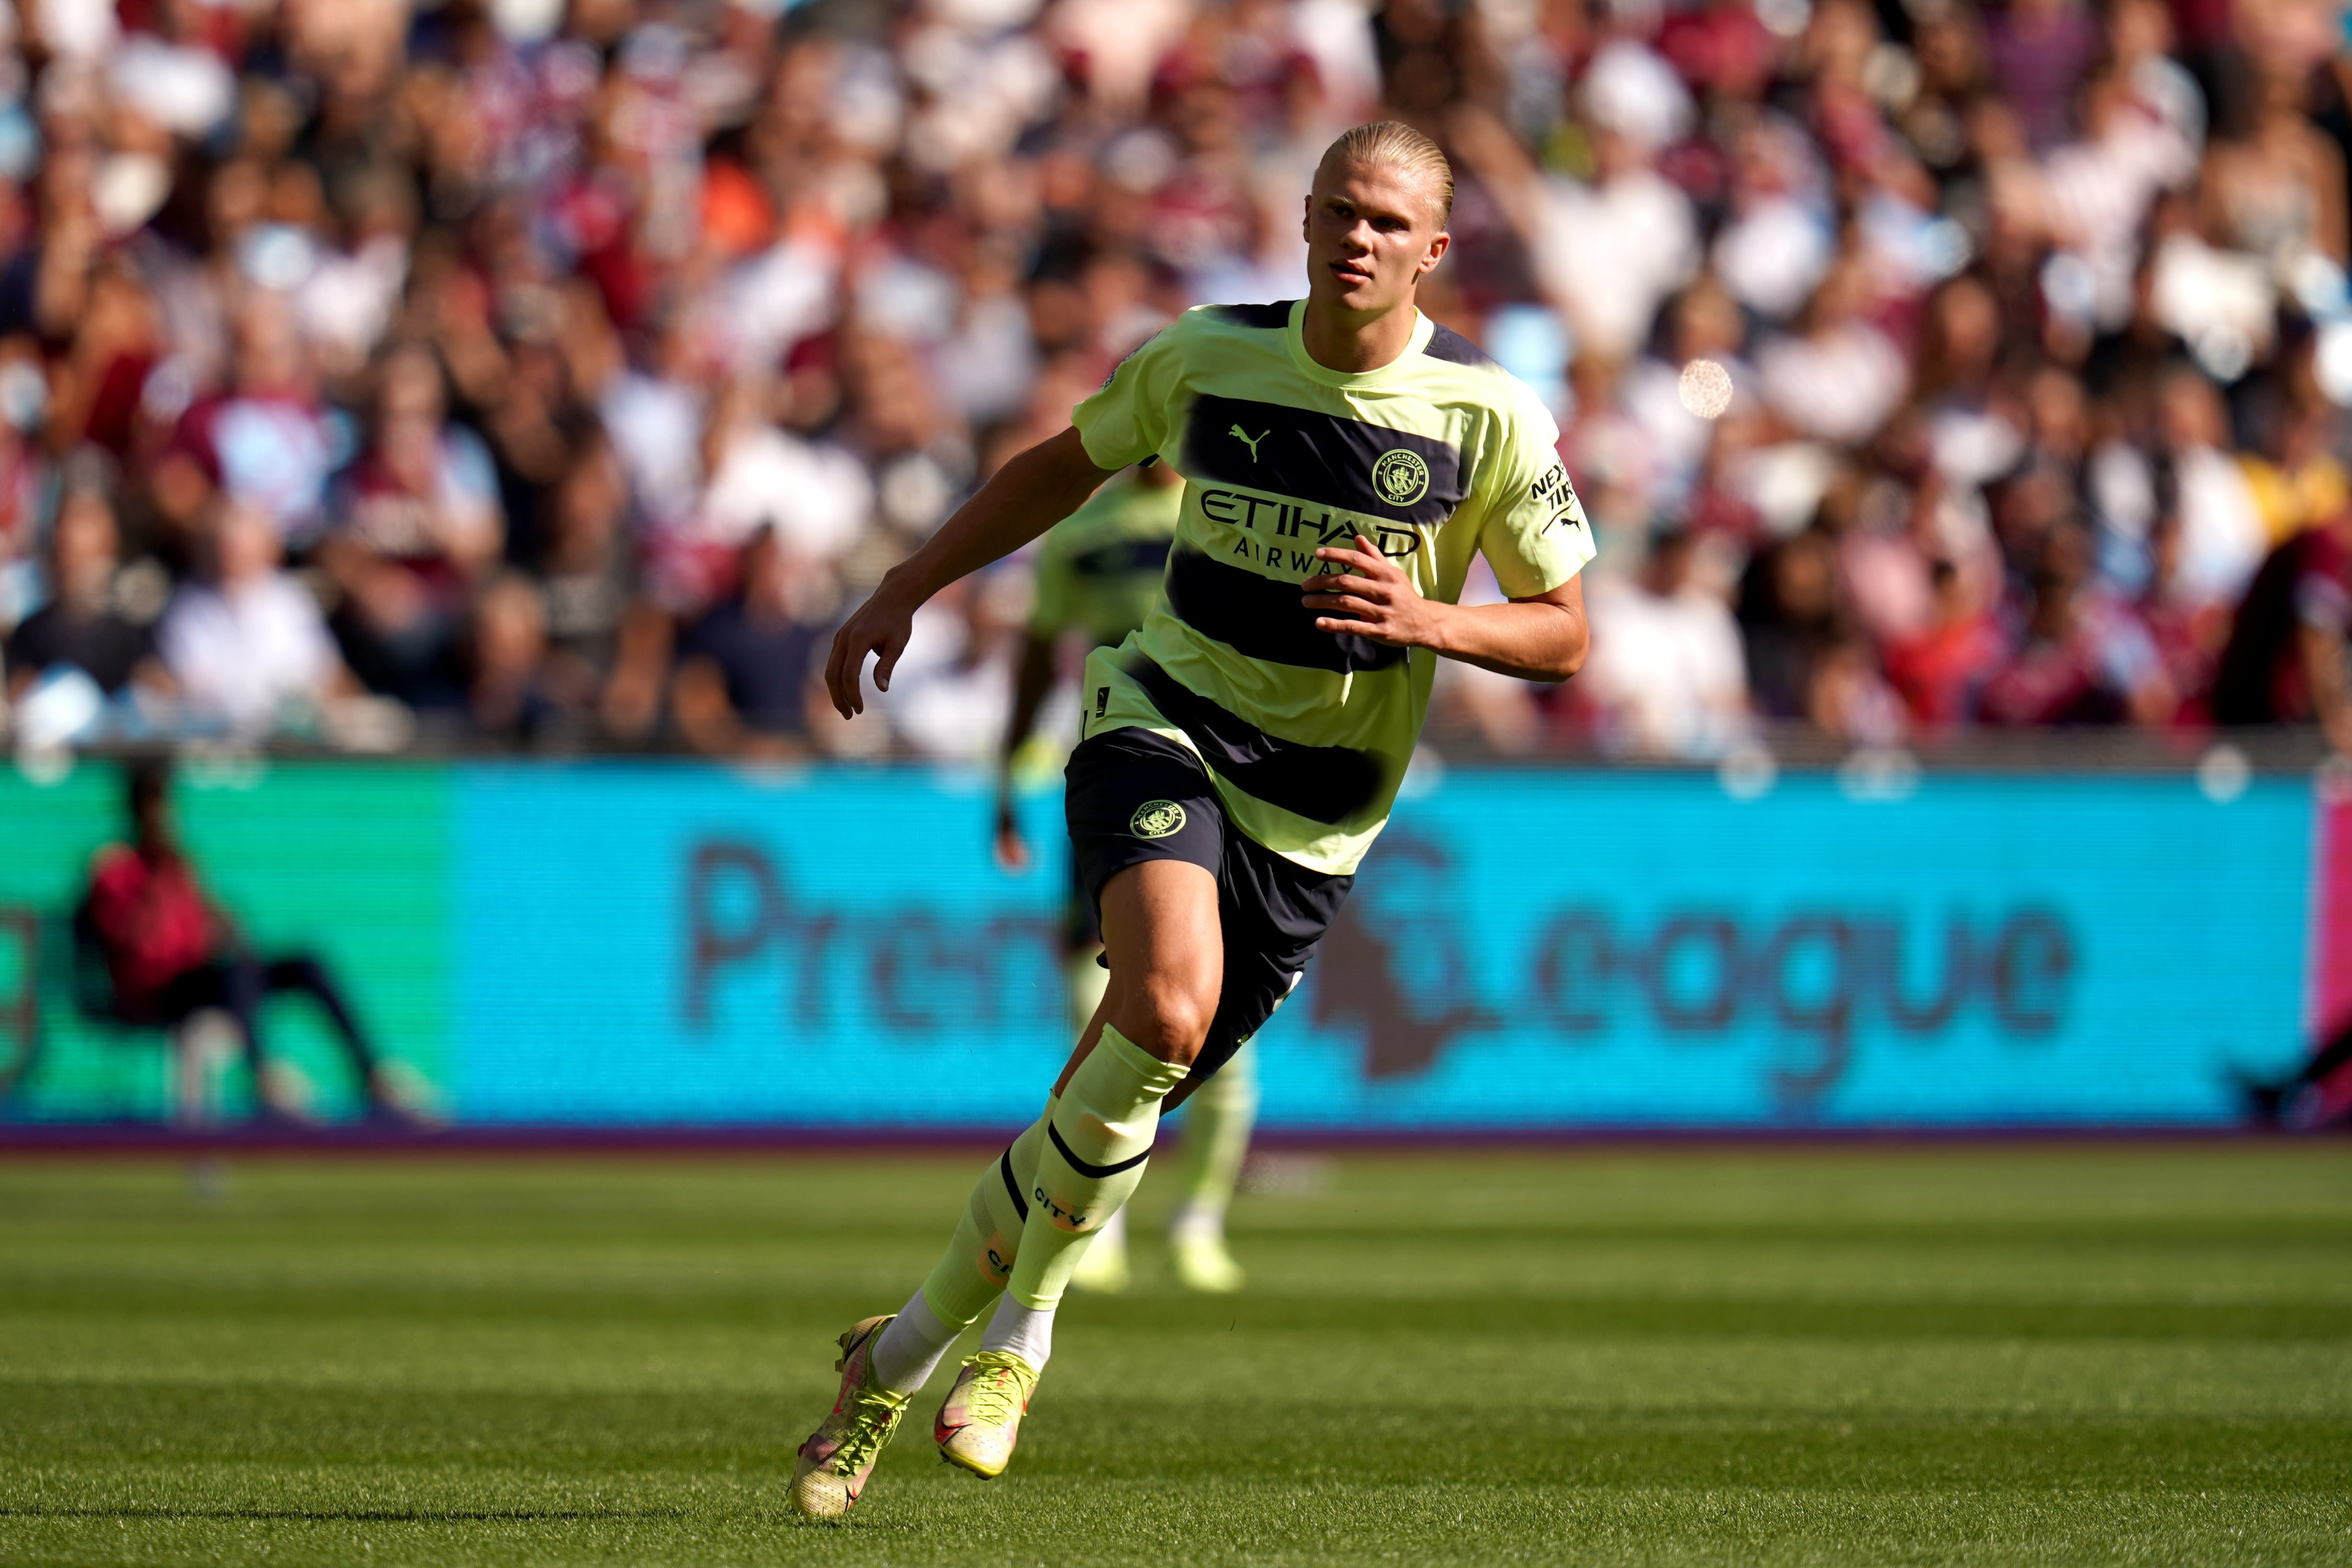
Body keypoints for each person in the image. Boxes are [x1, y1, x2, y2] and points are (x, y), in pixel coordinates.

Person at [790, 121, 1595, 1518]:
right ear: (1302, 219)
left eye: (1390, 223)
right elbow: (1059, 464)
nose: (1359, 238)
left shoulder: (1488, 415)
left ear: (1434, 250)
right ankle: (1024, 1346)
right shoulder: (1208, 355)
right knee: (1164, 1012)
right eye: (1340, 210)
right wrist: (904, 585)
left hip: (1315, 816)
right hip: (1161, 716)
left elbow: (1567, 632)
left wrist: (1430, 619)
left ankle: (894, 1357)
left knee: (1085, 1118)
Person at [991, 456, 1255, 1296]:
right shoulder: (1083, 530)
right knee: (1093, 1000)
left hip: (1228, 784)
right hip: (1119, 773)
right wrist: (1006, 773)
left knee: (1219, 1018)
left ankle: (1198, 1221)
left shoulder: (1237, 515)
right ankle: (1090, 1219)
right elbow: (1037, 653)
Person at [79, 761, 432, 1125]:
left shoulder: (179, 863)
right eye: (155, 809)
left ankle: (373, 1077)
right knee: (234, 969)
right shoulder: (114, 868)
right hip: (161, 990)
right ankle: (264, 1076)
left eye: (167, 808)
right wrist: (156, 885)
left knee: (304, 963)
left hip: (212, 979)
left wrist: (222, 921)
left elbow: (207, 924)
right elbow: (134, 946)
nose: (163, 818)